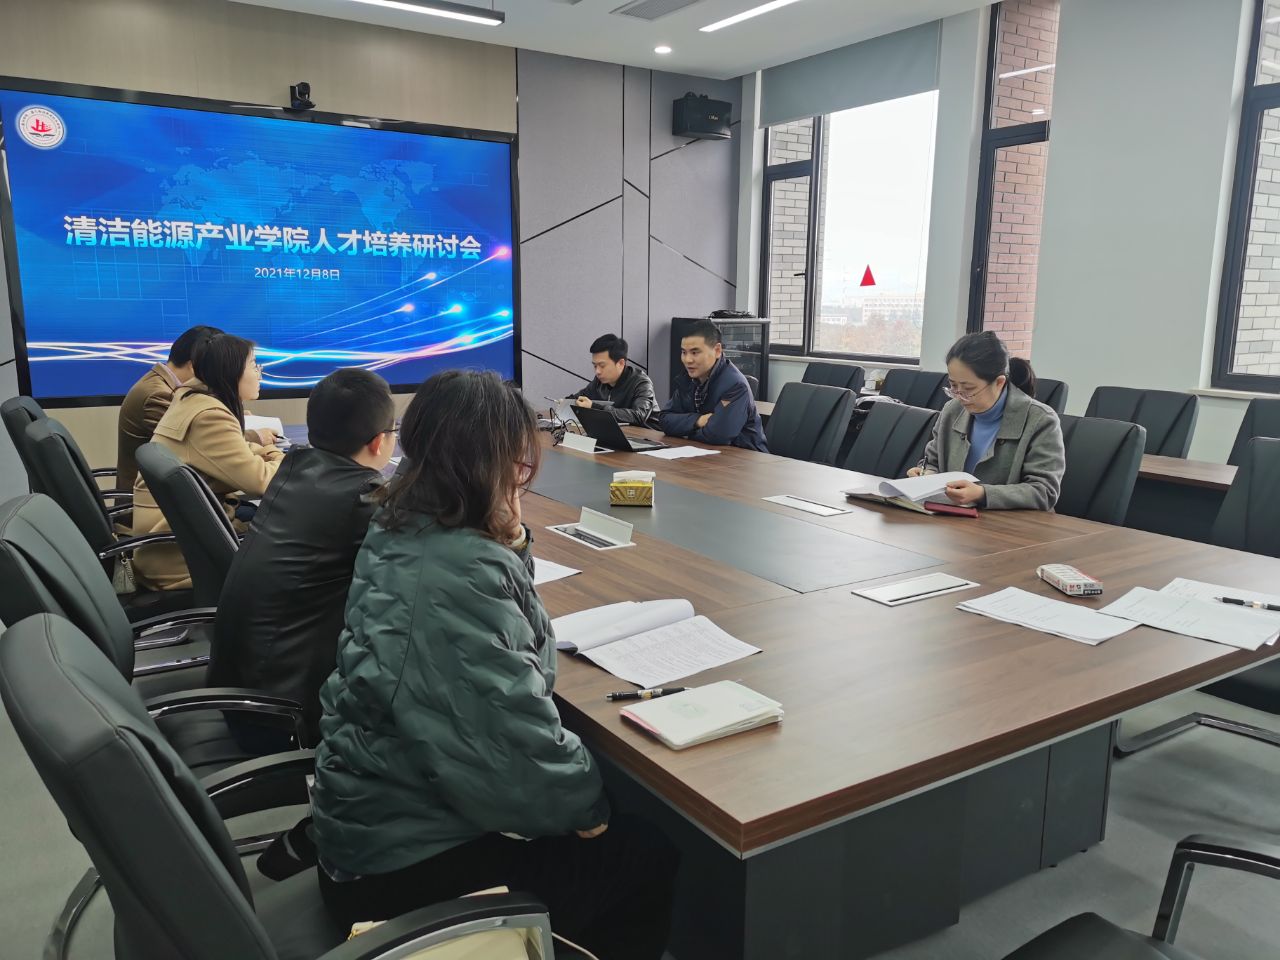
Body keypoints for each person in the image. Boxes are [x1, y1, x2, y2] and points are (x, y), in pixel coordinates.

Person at [311, 370, 678, 959]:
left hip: (369, 823)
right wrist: (588, 807)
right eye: (516, 458)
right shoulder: (458, 571)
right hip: (395, 875)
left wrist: (512, 540)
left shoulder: (401, 522)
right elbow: (513, 747)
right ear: (493, 463)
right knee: (643, 849)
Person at [209, 368, 396, 741]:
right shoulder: (361, 497)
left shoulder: (294, 470)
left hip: (243, 691)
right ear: (379, 443)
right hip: (284, 717)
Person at [131, 334, 285, 590]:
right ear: (231, 371)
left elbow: (239, 448)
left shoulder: (192, 399)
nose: (259, 373)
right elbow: (265, 482)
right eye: (254, 365)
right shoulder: (209, 416)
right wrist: (279, 455)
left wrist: (266, 452)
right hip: (182, 557)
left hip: (178, 540)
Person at [907, 331, 1064, 510]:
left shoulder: (1041, 420)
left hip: (1010, 524)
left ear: (999, 382)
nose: (959, 396)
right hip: (952, 518)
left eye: (968, 388)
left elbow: (1045, 491)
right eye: (953, 385)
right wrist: (926, 474)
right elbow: (932, 462)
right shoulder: (952, 410)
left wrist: (983, 494)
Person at [659, 319, 768, 451]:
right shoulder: (687, 379)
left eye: (695, 352)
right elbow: (664, 420)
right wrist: (698, 420)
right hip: (705, 454)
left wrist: (684, 430)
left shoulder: (736, 386)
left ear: (717, 350)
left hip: (745, 457)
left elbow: (718, 435)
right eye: (684, 352)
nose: (687, 360)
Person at [570, 334, 659, 426]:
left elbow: (639, 415)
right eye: (595, 366)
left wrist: (594, 407)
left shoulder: (641, 382)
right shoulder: (599, 381)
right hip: (618, 431)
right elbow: (579, 398)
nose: (597, 371)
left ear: (621, 363)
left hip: (647, 433)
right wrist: (565, 403)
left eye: (602, 366)